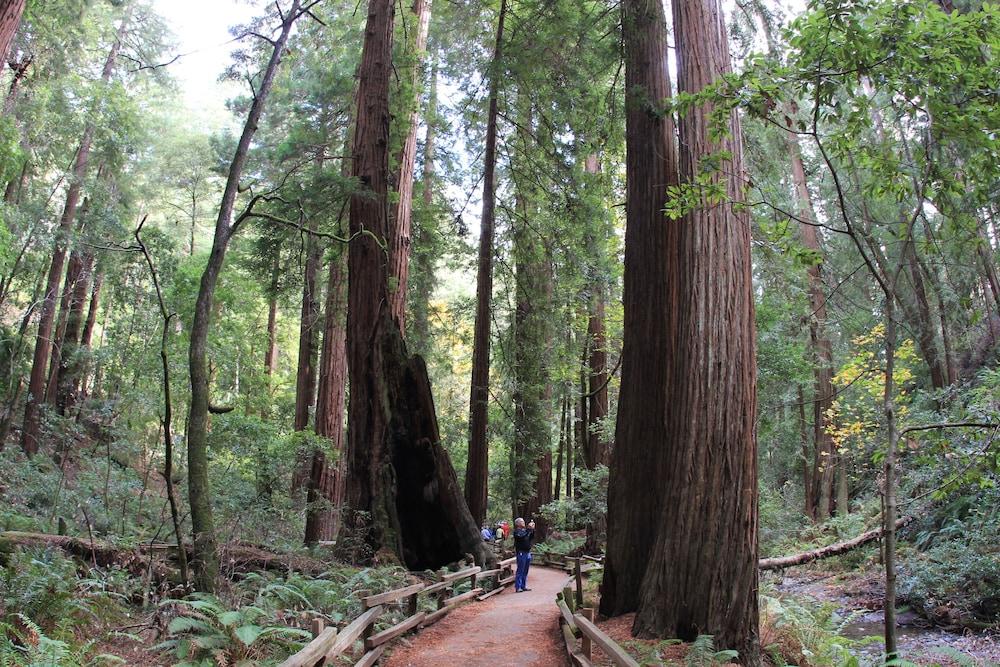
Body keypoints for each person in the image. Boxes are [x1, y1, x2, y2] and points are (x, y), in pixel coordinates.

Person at [513, 517, 535, 592]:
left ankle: (523, 586)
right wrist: (528, 529)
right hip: (521, 552)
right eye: (522, 522)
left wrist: (532, 530)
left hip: (527, 552)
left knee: (525, 570)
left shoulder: (525, 531)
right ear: (518, 524)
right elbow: (522, 537)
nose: (524, 522)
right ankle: (518, 587)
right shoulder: (517, 532)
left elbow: (531, 537)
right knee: (520, 570)